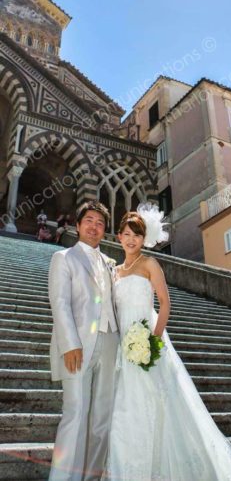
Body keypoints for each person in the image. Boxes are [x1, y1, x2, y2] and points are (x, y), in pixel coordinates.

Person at [104, 207, 231, 481]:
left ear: (144, 239)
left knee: (158, 402)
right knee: (127, 407)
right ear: (118, 237)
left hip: (148, 337)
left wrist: (153, 340)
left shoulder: (150, 264)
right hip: (124, 345)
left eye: (137, 235)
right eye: (127, 234)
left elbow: (165, 304)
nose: (131, 240)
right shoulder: (115, 272)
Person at [48, 201, 119, 481]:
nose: (94, 226)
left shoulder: (111, 264)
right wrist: (69, 344)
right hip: (77, 345)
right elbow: (60, 302)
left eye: (100, 223)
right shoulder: (63, 258)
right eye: (89, 220)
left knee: (102, 418)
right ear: (77, 226)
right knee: (75, 413)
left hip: (110, 343)